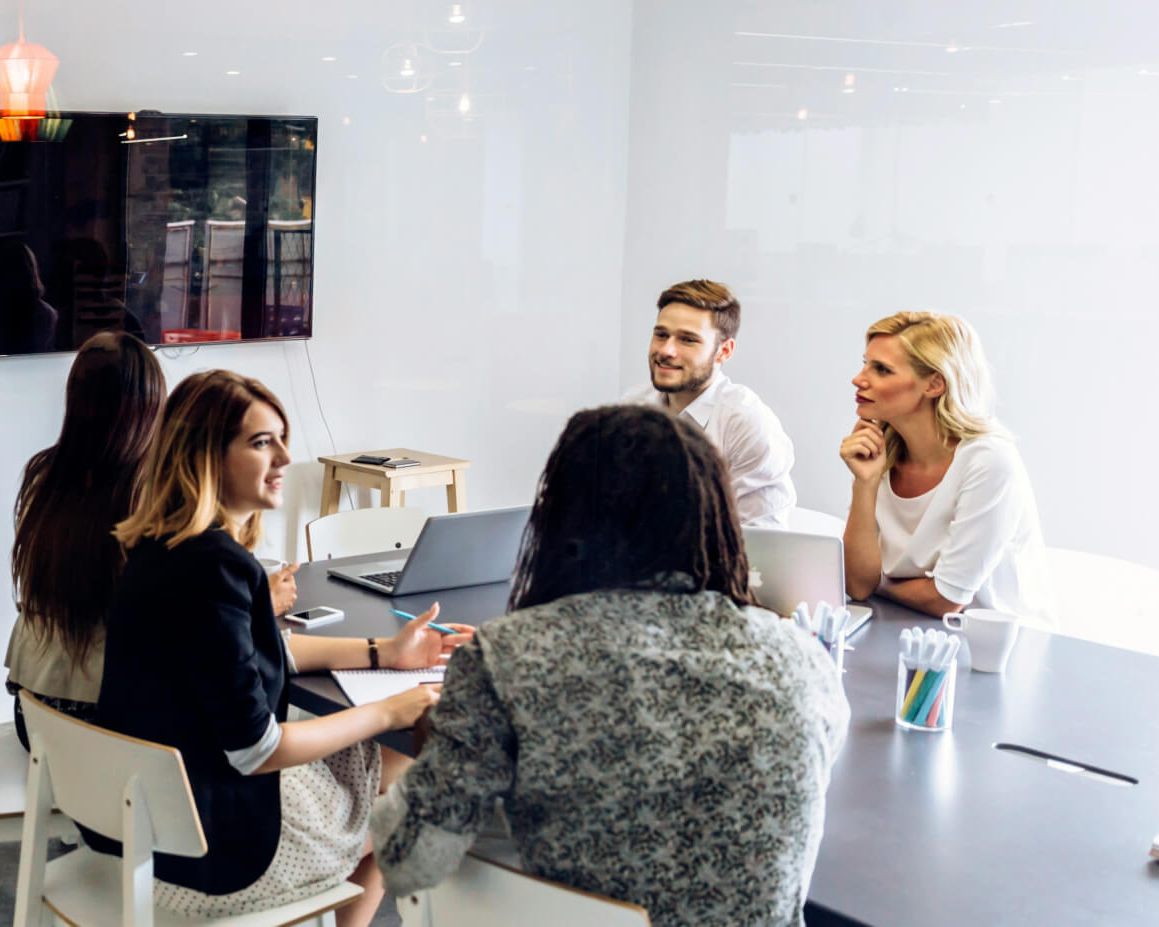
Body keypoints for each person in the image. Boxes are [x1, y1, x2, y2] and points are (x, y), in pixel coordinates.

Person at [373, 404, 849, 926]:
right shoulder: (802, 658)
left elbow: (407, 861)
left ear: (561, 518)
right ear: (716, 518)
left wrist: (433, 750)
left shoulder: (509, 656)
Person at [92, 370, 471, 927]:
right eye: (261, 441)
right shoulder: (218, 568)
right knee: (409, 798)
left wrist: (383, 652)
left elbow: (248, 659)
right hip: (216, 857)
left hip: (148, 827)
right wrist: (390, 709)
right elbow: (257, 751)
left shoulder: (159, 548)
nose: (286, 458)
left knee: (384, 758)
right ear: (207, 457)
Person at [4, 332, 163, 749]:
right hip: (107, 733)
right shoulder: (150, 495)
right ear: (149, 407)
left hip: (35, 717)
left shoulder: (43, 475)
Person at [840, 311, 1047, 621]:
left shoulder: (989, 461)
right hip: (907, 625)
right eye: (865, 363)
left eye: (882, 369)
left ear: (935, 384)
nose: (859, 379)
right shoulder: (879, 451)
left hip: (994, 649)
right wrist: (864, 483)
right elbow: (857, 585)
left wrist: (877, 584)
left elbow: (946, 600)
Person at [626, 279, 796, 527]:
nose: (666, 350)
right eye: (661, 335)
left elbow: (760, 544)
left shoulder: (748, 424)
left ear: (724, 351)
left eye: (687, 340)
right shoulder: (633, 406)